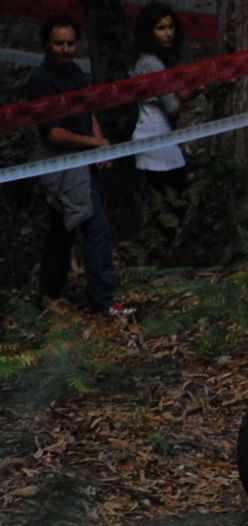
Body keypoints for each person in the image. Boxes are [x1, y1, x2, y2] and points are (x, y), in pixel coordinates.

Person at [25, 14, 134, 317]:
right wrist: (93, 144)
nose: (65, 50)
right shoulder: (41, 82)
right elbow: (52, 133)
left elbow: (89, 112)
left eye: (70, 44)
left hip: (83, 161)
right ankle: (103, 300)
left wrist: (98, 144)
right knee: (96, 228)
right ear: (46, 44)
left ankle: (50, 293)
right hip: (62, 165)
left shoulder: (76, 73)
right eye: (59, 44)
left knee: (62, 230)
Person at [130, 1, 195, 252]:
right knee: (172, 201)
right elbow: (172, 106)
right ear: (149, 31)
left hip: (157, 135)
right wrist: (195, 89)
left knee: (168, 200)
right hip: (156, 137)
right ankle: (165, 254)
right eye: (160, 28)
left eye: (170, 27)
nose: (168, 33)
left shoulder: (148, 59)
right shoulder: (152, 64)